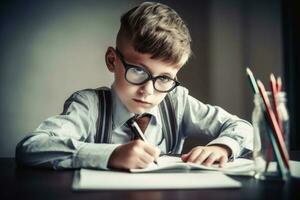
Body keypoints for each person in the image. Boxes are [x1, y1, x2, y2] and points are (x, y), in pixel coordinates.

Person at [15, 1, 253, 170]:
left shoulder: (177, 102)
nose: (148, 91)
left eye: (164, 78)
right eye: (138, 71)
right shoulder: (89, 106)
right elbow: (30, 147)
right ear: (112, 61)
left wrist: (224, 147)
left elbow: (242, 127)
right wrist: (110, 155)